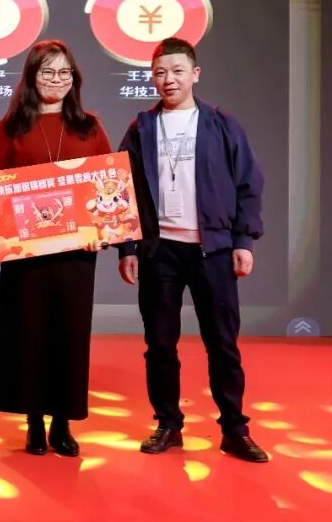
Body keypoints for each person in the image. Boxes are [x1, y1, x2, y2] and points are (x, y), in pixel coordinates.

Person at [117, 37, 268, 463]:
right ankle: (168, 424)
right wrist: (127, 246)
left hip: (213, 250)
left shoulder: (221, 124)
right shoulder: (141, 128)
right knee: (160, 344)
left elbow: (249, 184)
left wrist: (243, 241)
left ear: (195, 74)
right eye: (160, 72)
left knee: (223, 344)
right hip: (159, 251)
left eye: (178, 71)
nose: (169, 79)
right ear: (152, 77)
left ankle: (235, 429)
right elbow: (120, 190)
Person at [0, 39, 111, 457]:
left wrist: (108, 223)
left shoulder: (90, 126)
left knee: (69, 334)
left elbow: (109, 182)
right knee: (28, 333)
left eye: (64, 72)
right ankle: (34, 420)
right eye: (47, 72)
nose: (56, 80)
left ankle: (62, 422)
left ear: (74, 79)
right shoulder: (11, 128)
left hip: (75, 253)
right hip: (26, 254)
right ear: (32, 78)